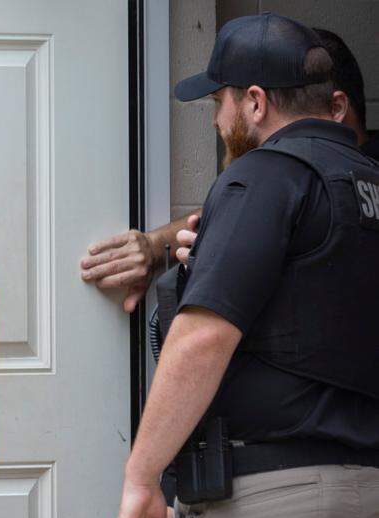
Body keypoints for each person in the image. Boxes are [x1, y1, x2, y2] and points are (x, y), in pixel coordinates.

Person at [116, 13, 379, 518]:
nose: (216, 120)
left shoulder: (262, 176)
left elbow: (203, 338)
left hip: (265, 508)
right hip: (362, 502)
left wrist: (142, 477)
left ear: (255, 102)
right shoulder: (365, 187)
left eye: (219, 101)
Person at [80, 26, 377, 313]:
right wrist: (160, 246)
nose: (217, 121)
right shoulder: (291, 188)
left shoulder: (330, 181)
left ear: (335, 107)